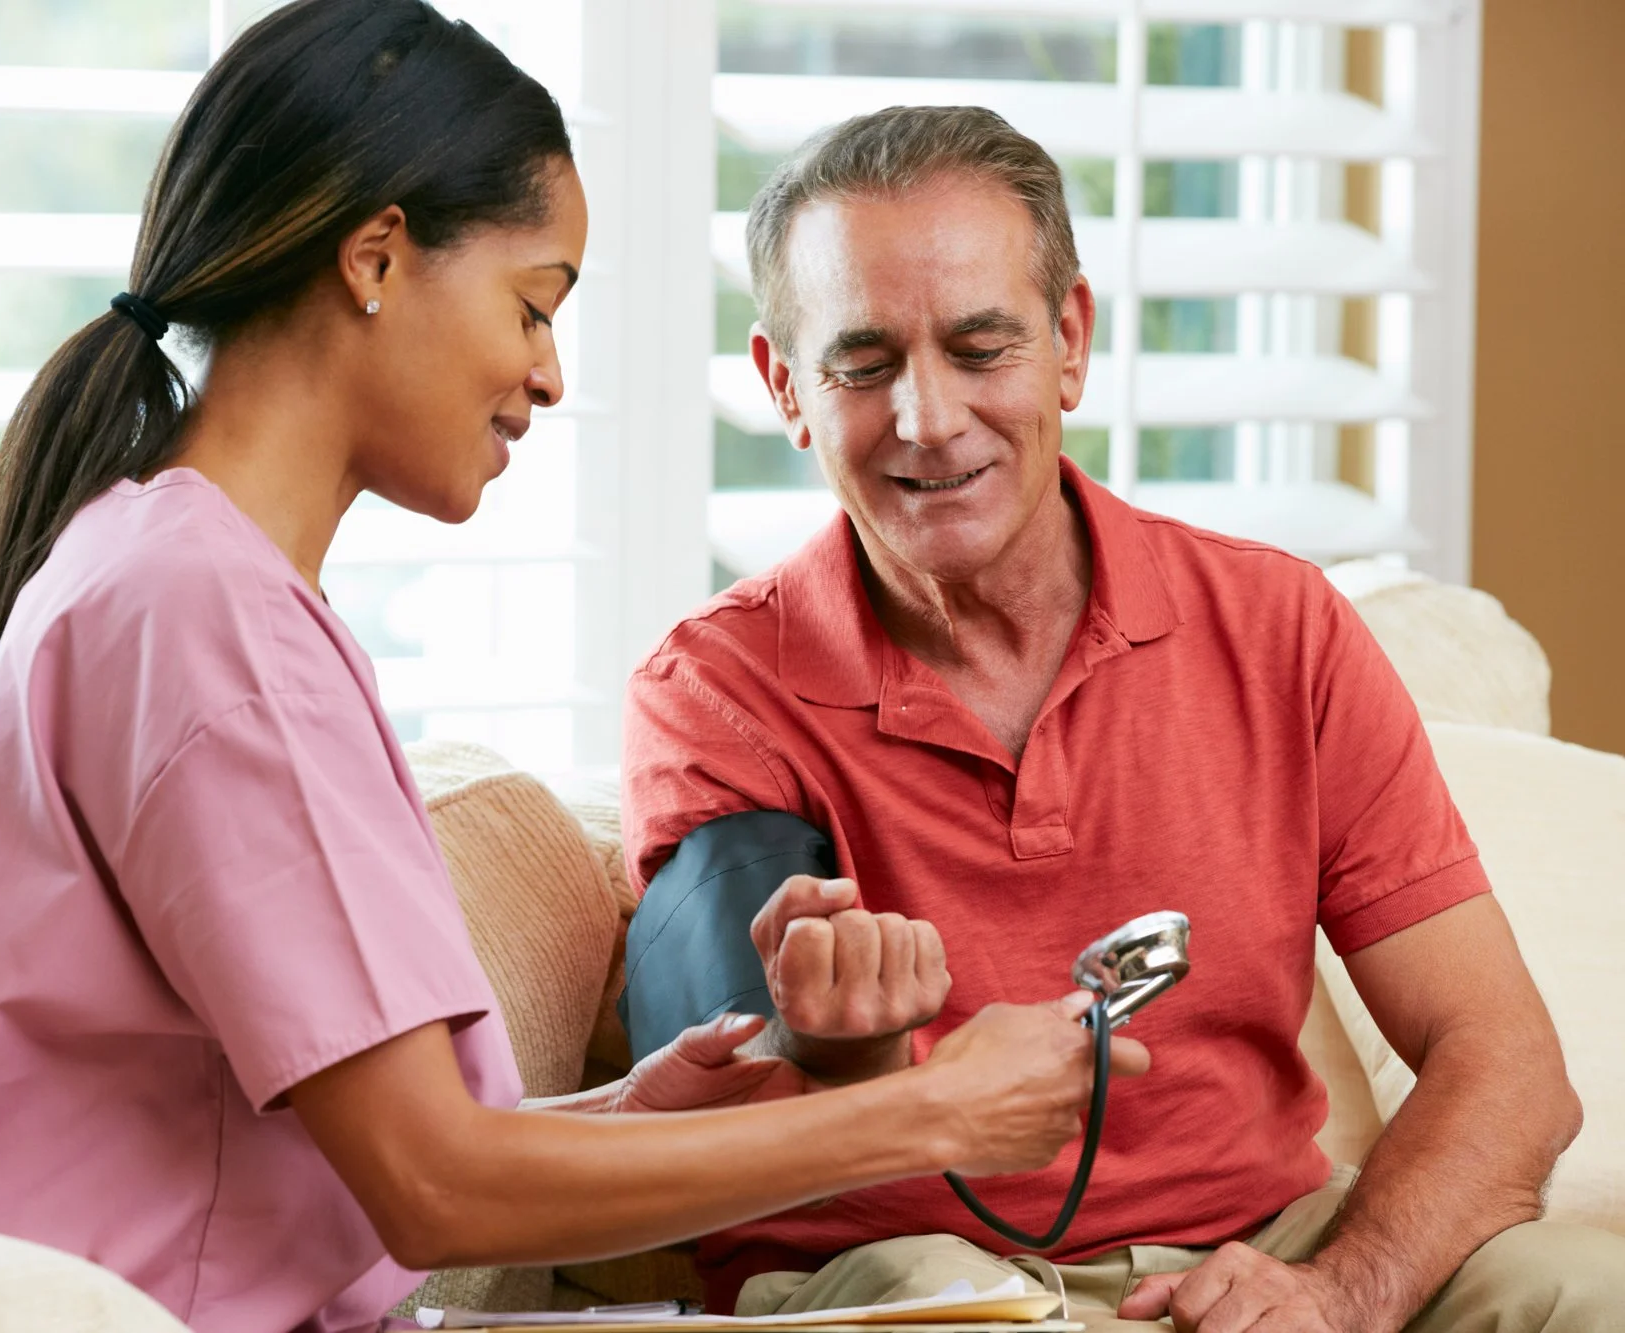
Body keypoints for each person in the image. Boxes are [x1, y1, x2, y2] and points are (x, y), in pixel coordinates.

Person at [0, 7, 1154, 1332]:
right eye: (532, 305)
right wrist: (923, 1109)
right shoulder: (203, 615)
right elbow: (434, 1190)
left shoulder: (160, 568)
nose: (545, 373)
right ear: (377, 256)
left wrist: (624, 1119)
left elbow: (339, 1150)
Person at [619, 105, 1623, 1332]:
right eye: (863, 362)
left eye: (981, 348)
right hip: (919, 1273)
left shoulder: (1276, 625)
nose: (927, 419)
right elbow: (696, 1148)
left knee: (1586, 1290)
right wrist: (839, 1052)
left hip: (1269, 1242)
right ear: (785, 384)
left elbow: (1505, 1061)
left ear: (1070, 342)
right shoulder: (714, 690)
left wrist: (1336, 1291)